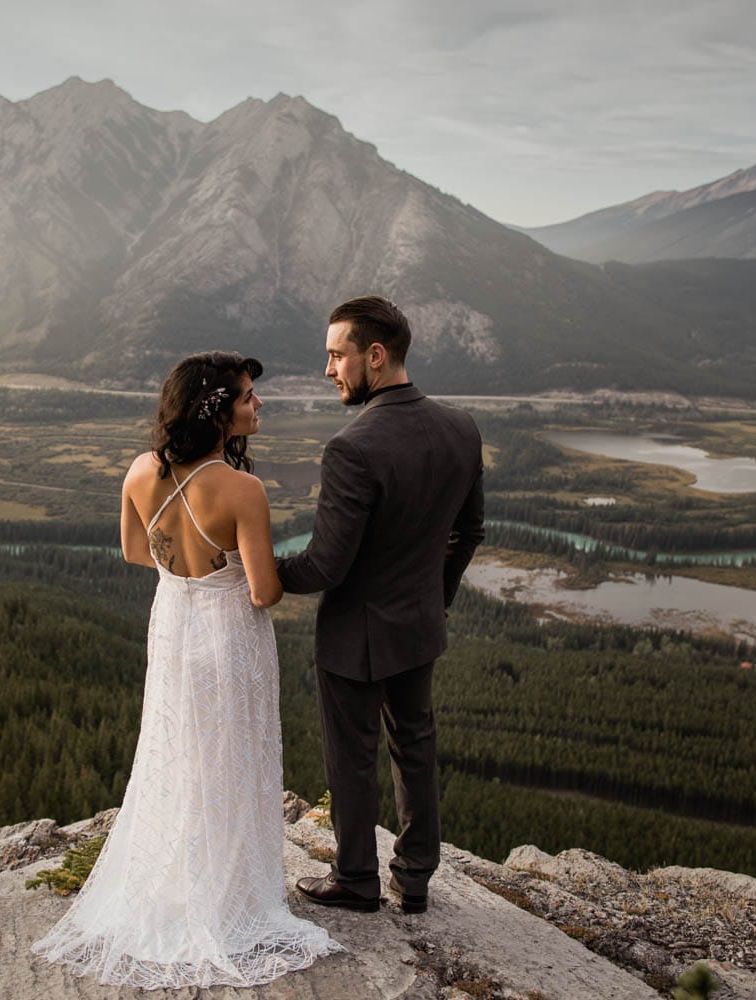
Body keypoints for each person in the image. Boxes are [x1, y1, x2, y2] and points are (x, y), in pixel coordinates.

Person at [30, 351, 340, 989]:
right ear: (219, 412)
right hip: (229, 635)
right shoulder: (241, 489)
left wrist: (186, 577)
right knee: (232, 756)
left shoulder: (142, 470)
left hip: (172, 625)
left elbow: (133, 550)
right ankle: (229, 898)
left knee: (179, 750)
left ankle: (180, 881)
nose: (259, 406)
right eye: (250, 397)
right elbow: (262, 593)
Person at [277, 296, 485, 916]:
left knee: (352, 756)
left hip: (354, 635)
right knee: (415, 744)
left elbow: (323, 566)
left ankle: (357, 879)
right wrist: (435, 601)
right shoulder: (461, 428)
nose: (328, 369)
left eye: (337, 355)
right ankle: (416, 878)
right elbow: (468, 533)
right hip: (419, 625)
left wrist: (249, 566)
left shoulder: (352, 446)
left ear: (375, 354)